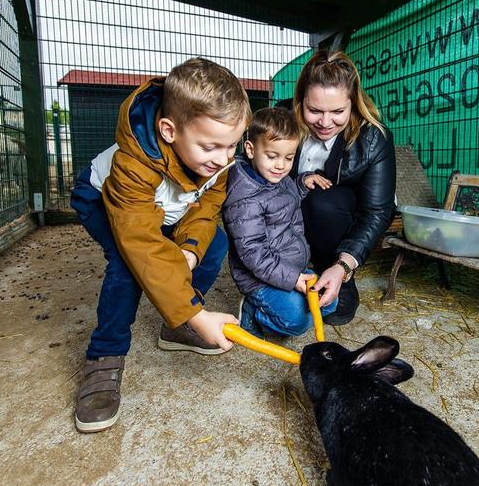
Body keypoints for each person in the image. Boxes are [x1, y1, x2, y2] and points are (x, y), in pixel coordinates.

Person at [69, 58, 251, 433]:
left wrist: (187, 249)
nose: (223, 159)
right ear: (170, 131)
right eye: (211, 147)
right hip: (105, 201)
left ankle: (176, 325)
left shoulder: (219, 159)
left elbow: (206, 208)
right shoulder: (132, 166)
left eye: (232, 146)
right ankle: (104, 357)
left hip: (170, 207)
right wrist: (200, 315)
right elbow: (141, 242)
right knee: (128, 265)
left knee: (213, 243)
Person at [290, 50, 396, 325]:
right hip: (286, 217)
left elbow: (377, 212)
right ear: (300, 102)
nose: (325, 123)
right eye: (314, 110)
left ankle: (338, 280)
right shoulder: (282, 121)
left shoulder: (374, 138)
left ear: (353, 104)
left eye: (337, 111)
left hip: (337, 222)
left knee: (323, 200)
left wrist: (343, 266)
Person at [222, 107, 338, 336]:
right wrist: (293, 279)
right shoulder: (245, 199)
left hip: (290, 265)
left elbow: (285, 199)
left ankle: (286, 303)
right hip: (259, 279)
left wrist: (303, 182)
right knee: (297, 322)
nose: (281, 166)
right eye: (272, 156)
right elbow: (253, 253)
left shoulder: (276, 178)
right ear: (250, 150)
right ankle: (252, 313)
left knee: (330, 301)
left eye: (289, 157)